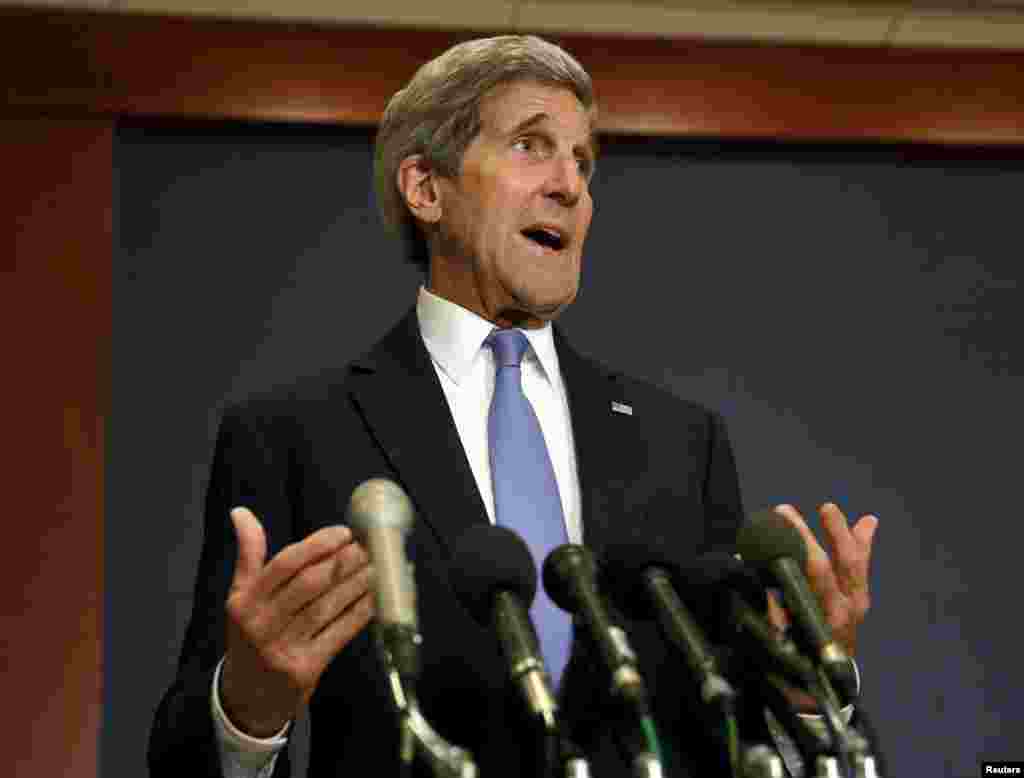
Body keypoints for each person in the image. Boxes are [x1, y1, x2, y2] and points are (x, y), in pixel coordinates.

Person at [148, 35, 878, 778]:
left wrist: (809, 685)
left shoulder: (682, 445)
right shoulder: (294, 436)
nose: (571, 185)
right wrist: (251, 706)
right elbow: (186, 757)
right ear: (426, 190)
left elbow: (734, 737)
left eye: (584, 162)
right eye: (532, 146)